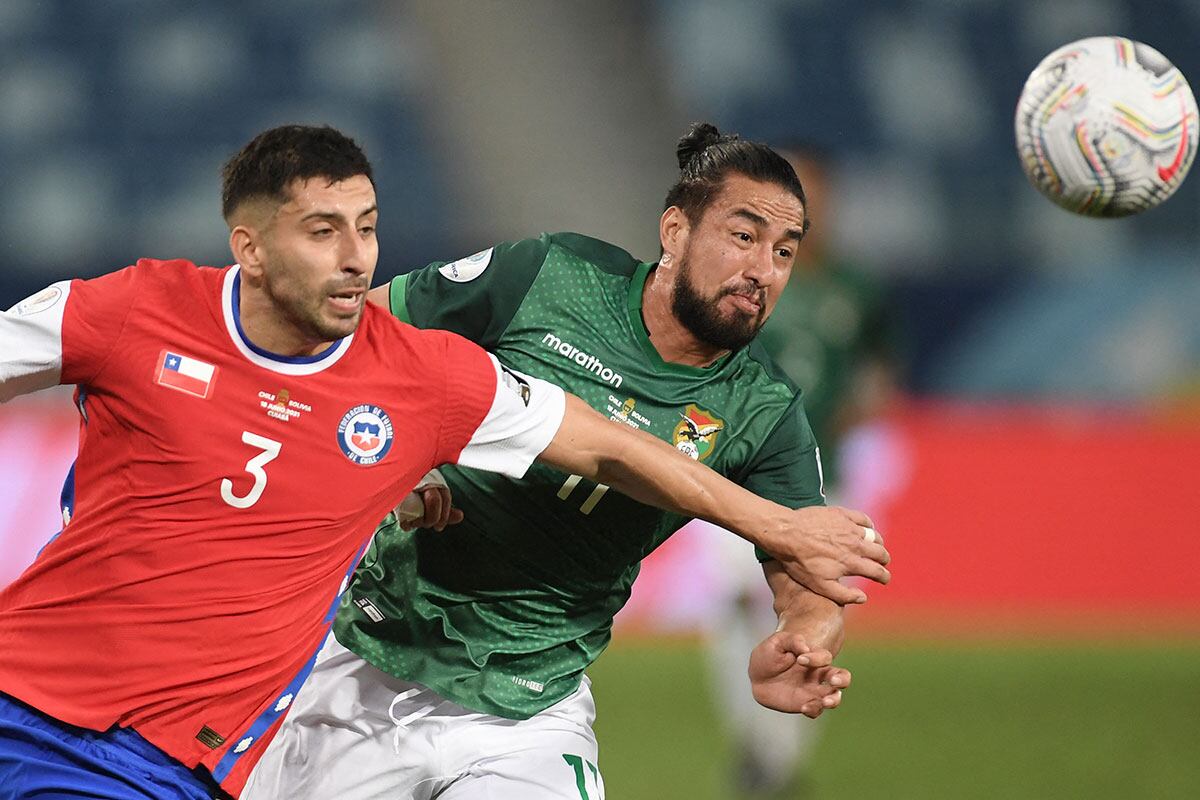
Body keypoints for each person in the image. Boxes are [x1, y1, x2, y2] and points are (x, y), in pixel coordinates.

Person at [0, 125, 888, 800]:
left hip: (525, 704)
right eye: (744, 238)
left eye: (783, 249)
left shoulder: (766, 412)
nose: (766, 269)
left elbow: (799, 556)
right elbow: (358, 341)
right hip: (362, 659)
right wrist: (376, 470)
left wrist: (805, 636)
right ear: (673, 231)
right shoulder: (550, 276)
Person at [698, 142, 907, 798]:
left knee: (808, 619)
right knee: (735, 603)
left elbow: (878, 373)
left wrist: (854, 412)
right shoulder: (738, 286)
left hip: (822, 482)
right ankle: (758, 747)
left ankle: (775, 761)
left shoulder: (856, 290)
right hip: (733, 480)